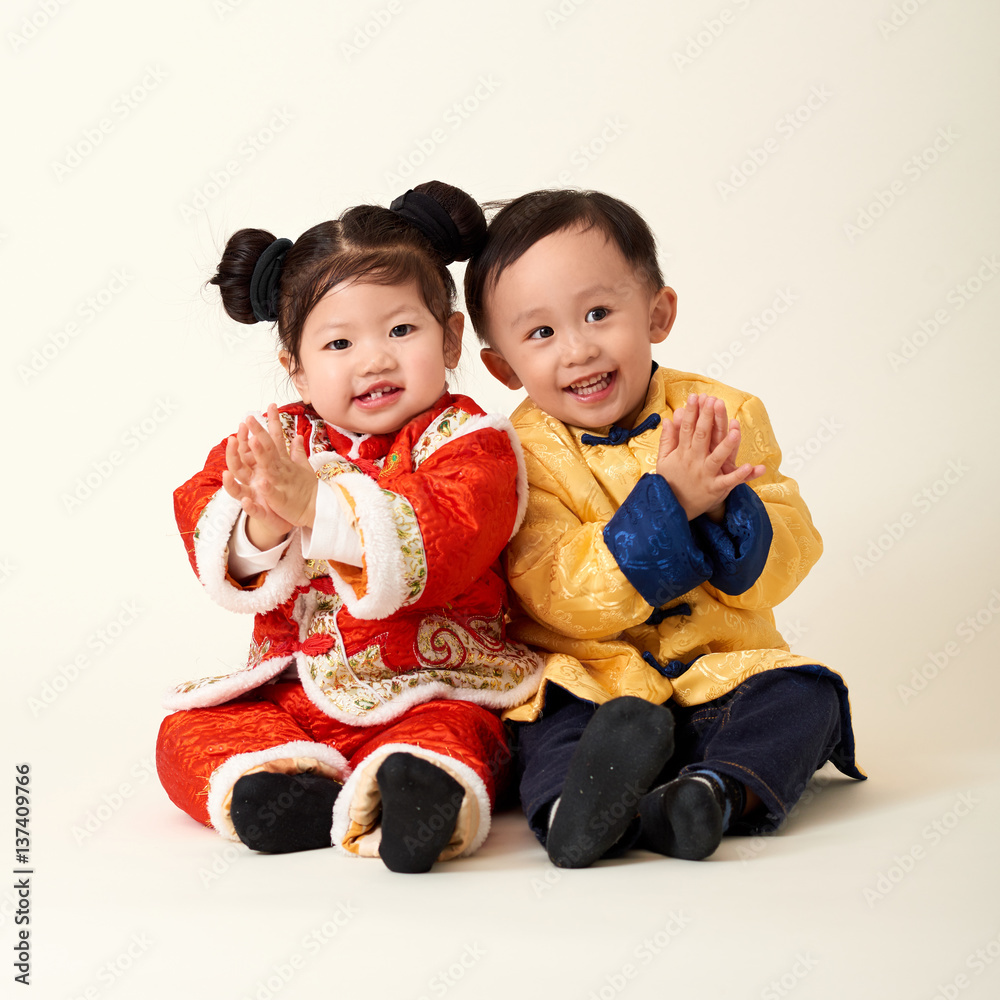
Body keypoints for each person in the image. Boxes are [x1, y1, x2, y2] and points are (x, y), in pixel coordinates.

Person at [462, 189, 865, 868]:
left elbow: (792, 548)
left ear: (658, 313)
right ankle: (573, 813)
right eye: (541, 334)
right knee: (543, 723)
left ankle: (710, 795)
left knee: (807, 695)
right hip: (596, 686)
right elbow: (556, 589)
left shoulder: (721, 413)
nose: (578, 349)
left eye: (598, 313)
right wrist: (668, 505)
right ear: (503, 367)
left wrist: (722, 508)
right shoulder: (515, 456)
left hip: (718, 676)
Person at [157, 181, 542, 873]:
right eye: (339, 342)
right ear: (297, 370)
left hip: (434, 681)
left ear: (451, 337)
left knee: (463, 732)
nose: (374, 360)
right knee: (188, 730)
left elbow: (450, 531)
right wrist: (261, 524)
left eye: (401, 330)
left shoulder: (469, 440)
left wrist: (318, 507)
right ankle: (280, 785)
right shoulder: (277, 440)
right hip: (295, 690)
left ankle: (419, 792)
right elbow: (204, 510)